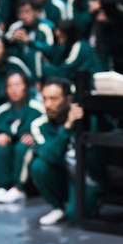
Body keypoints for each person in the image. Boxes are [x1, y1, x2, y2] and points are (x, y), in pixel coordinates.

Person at [30, 77, 106, 226]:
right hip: (65, 176)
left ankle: (91, 199)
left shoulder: (87, 117)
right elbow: (51, 156)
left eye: (53, 99)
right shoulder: (39, 125)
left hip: (88, 178)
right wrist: (68, 126)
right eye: (44, 99)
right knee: (39, 165)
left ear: (68, 99)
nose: (47, 105)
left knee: (75, 217)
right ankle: (58, 207)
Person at [0, 71, 46, 204]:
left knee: (23, 146)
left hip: (31, 150)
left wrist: (34, 138)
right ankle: (3, 186)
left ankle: (18, 187)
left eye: (18, 85)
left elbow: (46, 131)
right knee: (0, 144)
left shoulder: (37, 108)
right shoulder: (3, 110)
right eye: (10, 86)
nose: (14, 90)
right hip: (9, 149)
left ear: (26, 86)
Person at [5, 0, 56, 83]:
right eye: (20, 13)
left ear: (36, 12)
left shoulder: (46, 27)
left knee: (34, 54)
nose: (24, 16)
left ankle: (37, 82)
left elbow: (51, 51)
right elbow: (2, 43)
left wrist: (30, 41)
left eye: (27, 12)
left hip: (43, 69)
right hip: (22, 67)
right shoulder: (16, 27)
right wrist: (10, 40)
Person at [41, 19, 104, 85]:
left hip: (95, 86)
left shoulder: (79, 48)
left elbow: (62, 73)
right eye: (57, 38)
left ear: (70, 35)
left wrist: (40, 67)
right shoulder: (75, 45)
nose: (60, 41)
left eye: (61, 37)